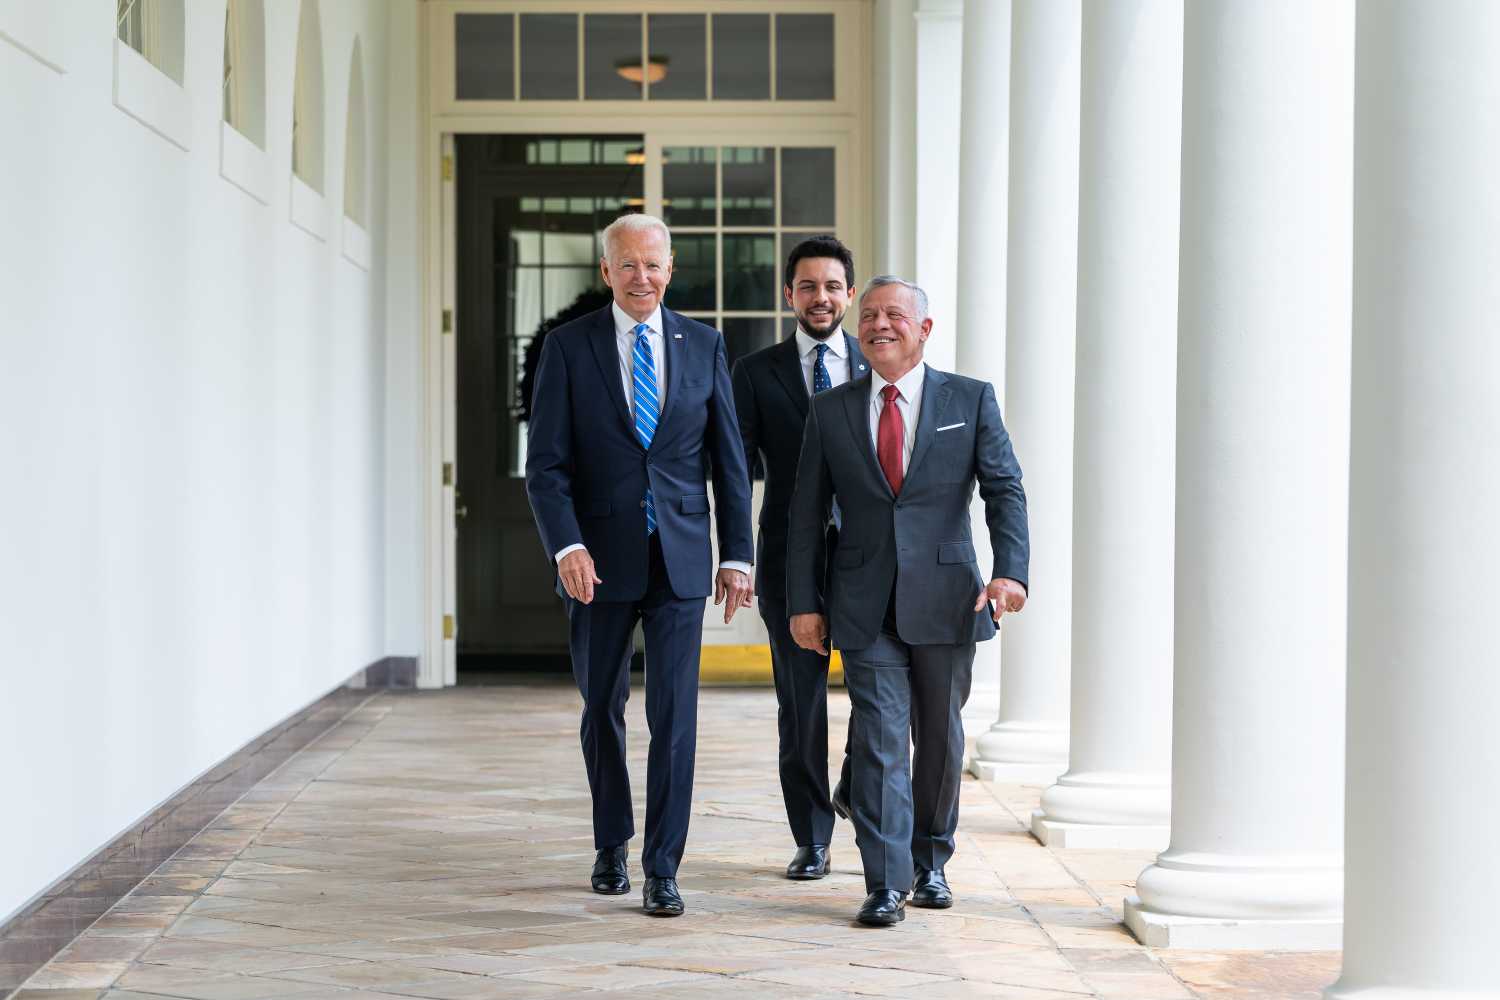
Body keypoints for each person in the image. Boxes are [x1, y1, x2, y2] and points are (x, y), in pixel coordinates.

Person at [525, 213, 755, 917]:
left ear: (671, 267)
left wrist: (738, 554)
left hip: (682, 560)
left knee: (675, 715)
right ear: (606, 271)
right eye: (627, 265)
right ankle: (609, 844)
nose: (642, 278)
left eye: (653, 265)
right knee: (602, 708)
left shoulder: (704, 343)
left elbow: (729, 462)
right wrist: (567, 546)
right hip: (595, 563)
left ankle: (663, 867)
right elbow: (546, 468)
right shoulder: (568, 348)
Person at [786, 276, 1030, 927]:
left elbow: (1005, 489)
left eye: (895, 314)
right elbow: (805, 515)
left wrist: (1012, 573)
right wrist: (803, 602)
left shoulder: (971, 400)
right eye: (869, 315)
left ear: (925, 329)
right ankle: (886, 881)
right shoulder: (831, 409)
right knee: (880, 744)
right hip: (863, 605)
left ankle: (931, 863)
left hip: (950, 601)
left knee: (941, 744)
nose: (879, 324)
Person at [731, 236, 868, 880]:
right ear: (790, 296)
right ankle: (812, 835)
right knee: (801, 702)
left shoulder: (879, 364)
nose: (821, 297)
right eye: (808, 287)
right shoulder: (756, 373)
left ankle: (852, 787)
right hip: (789, 558)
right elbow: (735, 468)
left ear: (849, 293)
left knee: (879, 694)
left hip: (871, 559)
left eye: (832, 286)